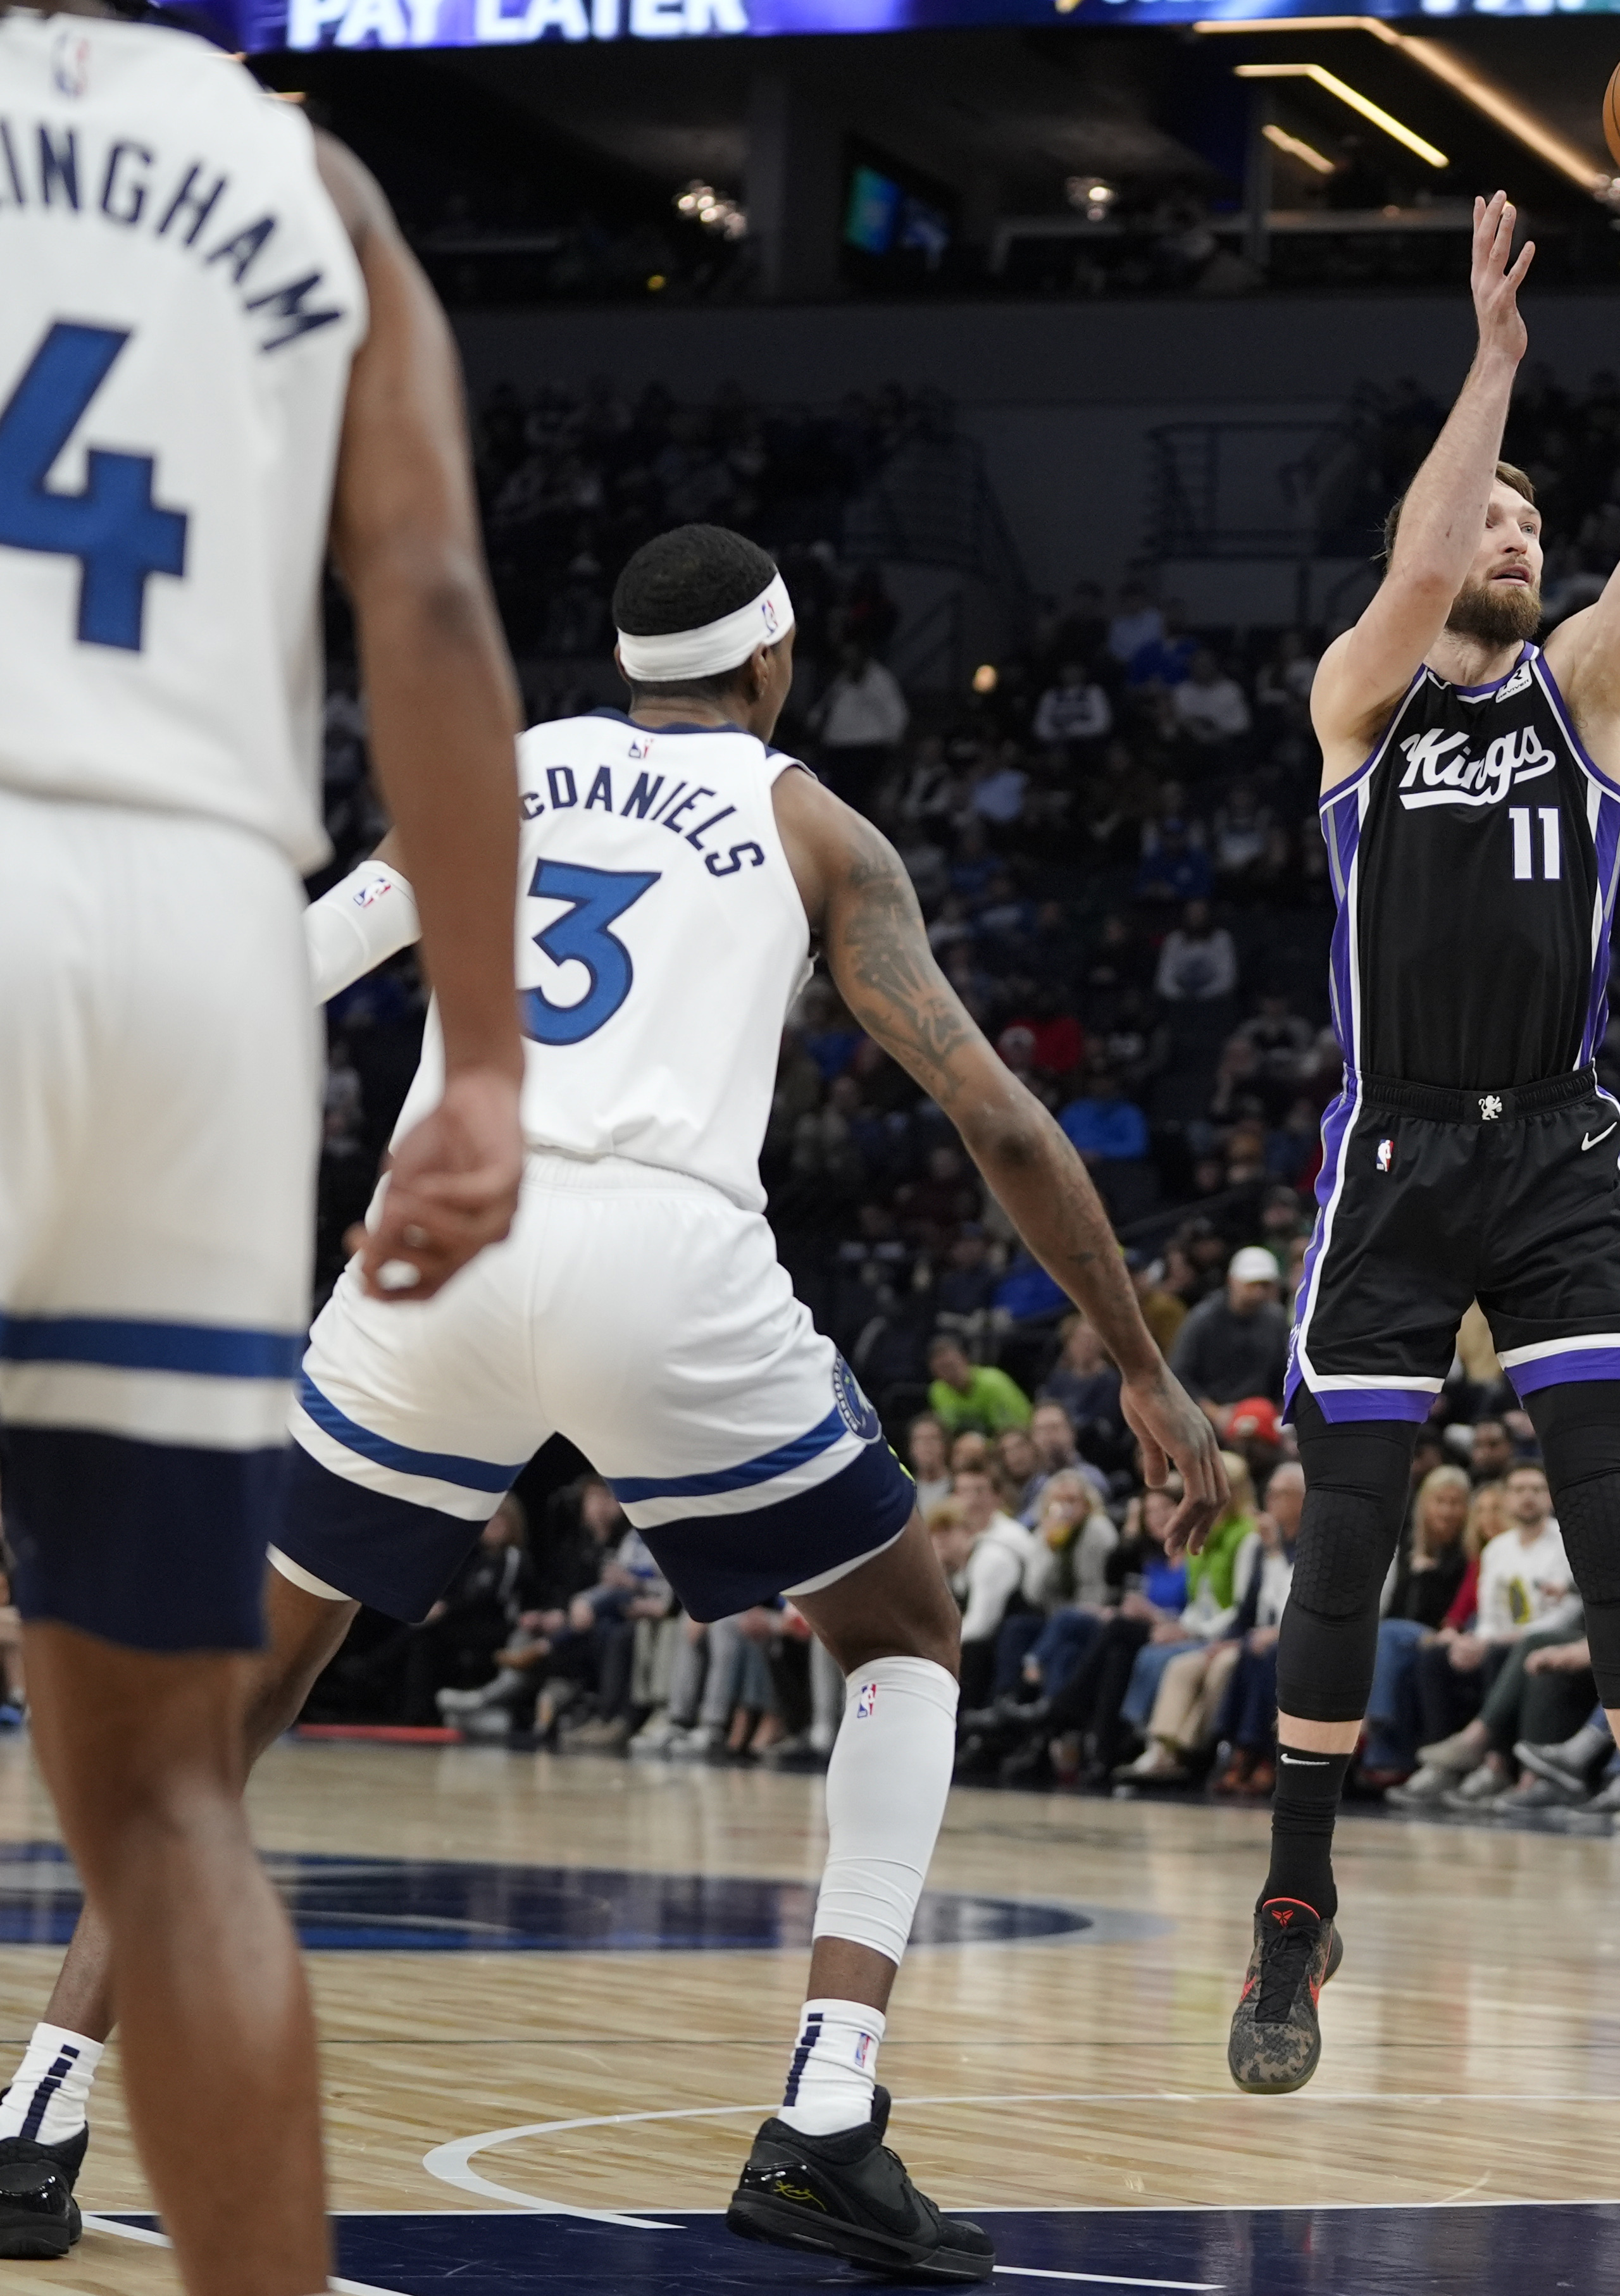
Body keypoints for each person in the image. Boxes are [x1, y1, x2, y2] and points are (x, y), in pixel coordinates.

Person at [0, 524, 1228, 2279]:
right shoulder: (816, 828)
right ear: (776, 661)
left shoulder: (491, 767)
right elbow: (1002, 1120)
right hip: (664, 1262)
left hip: (442, 1245)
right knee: (901, 1634)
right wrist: (1141, 1362)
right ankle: (823, 2109)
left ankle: (33, 2111)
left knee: (230, 1707)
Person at [0, 15, 532, 2285]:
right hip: (207, 944)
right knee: (168, 1799)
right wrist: (485, 1063)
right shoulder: (314, 189)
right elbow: (420, 603)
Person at [1238, 190, 1620, 2091]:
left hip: (1549, 1151)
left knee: (1616, 1534)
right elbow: (1405, 560)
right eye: (1495, 517)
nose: (1519, 538)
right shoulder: (1359, 700)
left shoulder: (1584, 695)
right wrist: (1489, 363)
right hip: (1388, 1159)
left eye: (1535, 524)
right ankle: (1293, 1910)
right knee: (1347, 1552)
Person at [1169, 1246, 1289, 1415]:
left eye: (1265, 1285)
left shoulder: (1275, 1319)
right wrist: (1213, 1412)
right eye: (1252, 1284)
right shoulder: (1204, 1318)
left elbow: (1283, 1374)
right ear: (1232, 1280)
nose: (1259, 1292)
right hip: (1210, 1412)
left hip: (1262, 1411)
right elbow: (1180, 1374)